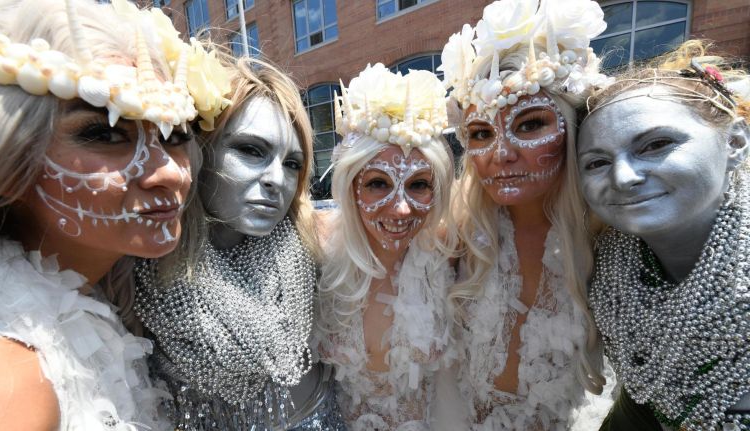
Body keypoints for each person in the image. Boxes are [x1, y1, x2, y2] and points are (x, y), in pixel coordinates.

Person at [0, 0, 230, 429]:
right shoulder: (14, 371)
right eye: (106, 133)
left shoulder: (93, 300)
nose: (169, 172)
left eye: (174, 135)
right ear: (9, 163)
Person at [134, 56, 346, 430]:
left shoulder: (318, 244)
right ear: (199, 150)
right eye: (251, 150)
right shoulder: (133, 270)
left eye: (292, 163)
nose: (276, 180)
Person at [438, 0, 615, 428]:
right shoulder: (454, 235)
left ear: (571, 127)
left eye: (530, 124)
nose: (501, 154)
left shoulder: (615, 237)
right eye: (481, 133)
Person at [577, 40, 750, 430]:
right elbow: (643, 403)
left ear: (735, 142)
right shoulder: (609, 270)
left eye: (656, 145)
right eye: (598, 162)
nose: (624, 177)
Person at [315, 63, 457, 430]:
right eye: (378, 183)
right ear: (351, 187)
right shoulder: (315, 246)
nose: (401, 208)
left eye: (419, 185)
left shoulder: (453, 250)